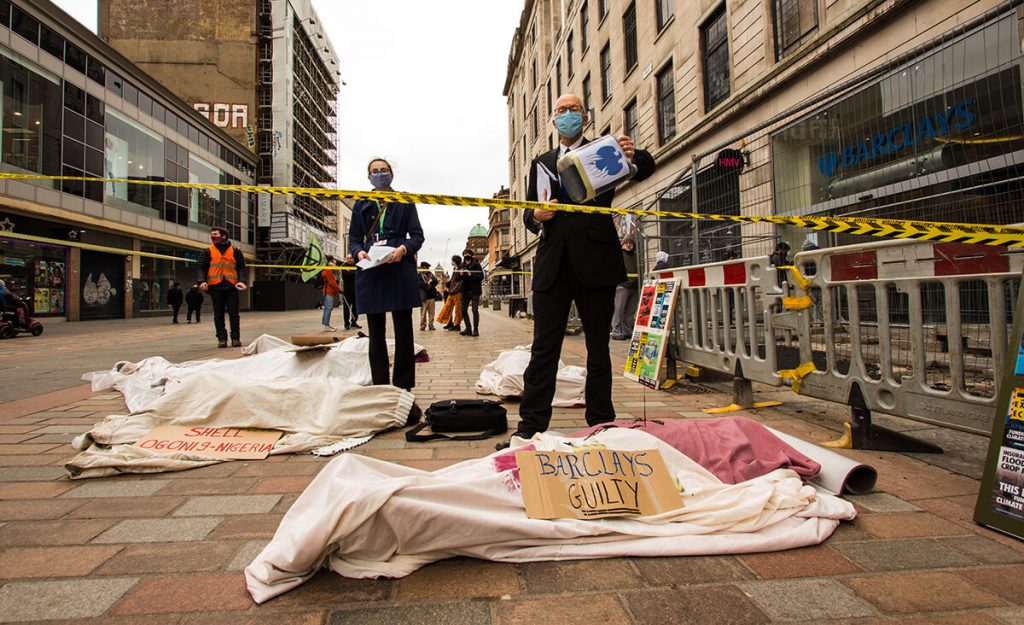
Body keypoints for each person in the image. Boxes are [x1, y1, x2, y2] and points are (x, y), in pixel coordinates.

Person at [498, 92, 656, 450]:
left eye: (574, 110)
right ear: (553, 121)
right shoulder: (541, 163)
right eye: (561, 111)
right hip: (553, 265)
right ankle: (529, 427)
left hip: (596, 263)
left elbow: (645, 167)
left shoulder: (604, 150)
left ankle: (601, 423)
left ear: (585, 117)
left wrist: (633, 153)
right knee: (544, 349)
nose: (568, 115)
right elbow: (526, 212)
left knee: (598, 348)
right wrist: (535, 216)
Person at [348, 157, 424, 391]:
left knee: (403, 330)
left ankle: (403, 385)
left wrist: (404, 249)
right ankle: (380, 384)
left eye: (384, 170)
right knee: (375, 331)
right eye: (375, 171)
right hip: (372, 269)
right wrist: (359, 252)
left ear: (391, 173)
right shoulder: (361, 204)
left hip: (399, 267)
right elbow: (353, 239)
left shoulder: (404, 201)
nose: (379, 174)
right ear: (368, 176)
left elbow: (417, 236)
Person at [198, 226, 247, 348]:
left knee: (234, 313)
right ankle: (221, 339)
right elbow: (201, 267)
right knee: (218, 314)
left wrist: (241, 281)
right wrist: (202, 281)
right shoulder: (207, 251)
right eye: (212, 234)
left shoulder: (236, 250)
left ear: (224, 236)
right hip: (215, 287)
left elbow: (241, 267)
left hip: (231, 286)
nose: (213, 236)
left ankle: (235, 338)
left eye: (215, 234)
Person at [611, 235, 639, 340]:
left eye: (630, 243)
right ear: (622, 244)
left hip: (634, 287)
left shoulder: (636, 256)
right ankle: (616, 332)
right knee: (619, 310)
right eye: (626, 243)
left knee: (630, 312)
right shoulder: (619, 255)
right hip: (623, 286)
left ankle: (627, 331)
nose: (628, 245)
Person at [459, 249, 483, 336]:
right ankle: (468, 328)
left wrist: (471, 275)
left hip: (475, 291)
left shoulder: (476, 264)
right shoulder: (462, 265)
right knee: (463, 310)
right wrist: (460, 275)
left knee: (474, 310)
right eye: (465, 254)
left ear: (471, 255)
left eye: (468, 254)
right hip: (465, 291)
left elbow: (481, 276)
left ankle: (475, 330)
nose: (467, 255)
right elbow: (458, 279)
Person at [437, 255, 464, 331]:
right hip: (452, 292)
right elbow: (452, 281)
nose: (451, 262)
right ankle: (449, 322)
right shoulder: (454, 269)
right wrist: (446, 284)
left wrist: (450, 290)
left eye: (452, 260)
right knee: (447, 307)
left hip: (457, 292)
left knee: (458, 309)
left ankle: (457, 325)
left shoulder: (460, 270)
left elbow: (459, 282)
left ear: (455, 261)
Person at [320, 255, 341, 331]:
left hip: (328, 291)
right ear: (330, 261)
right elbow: (332, 282)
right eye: (333, 261)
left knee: (327, 308)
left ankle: (326, 324)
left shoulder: (327, 269)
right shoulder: (328, 270)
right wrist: (339, 290)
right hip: (328, 291)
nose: (334, 262)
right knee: (328, 308)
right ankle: (326, 325)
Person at [340, 254, 360, 330]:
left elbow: (359, 274)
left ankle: (354, 322)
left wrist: (352, 273)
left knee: (355, 308)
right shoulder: (343, 266)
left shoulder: (357, 265)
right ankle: (346, 323)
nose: (349, 259)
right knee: (346, 308)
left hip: (356, 290)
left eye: (350, 258)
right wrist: (354, 272)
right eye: (347, 258)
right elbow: (346, 274)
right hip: (347, 291)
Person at [418, 261, 439, 331]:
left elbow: (436, 281)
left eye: (427, 267)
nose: (427, 269)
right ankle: (422, 325)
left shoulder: (430, 274)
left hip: (431, 296)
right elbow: (420, 284)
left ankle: (431, 325)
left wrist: (431, 282)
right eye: (425, 267)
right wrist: (427, 283)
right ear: (422, 267)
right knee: (423, 313)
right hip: (423, 297)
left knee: (431, 313)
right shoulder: (419, 275)